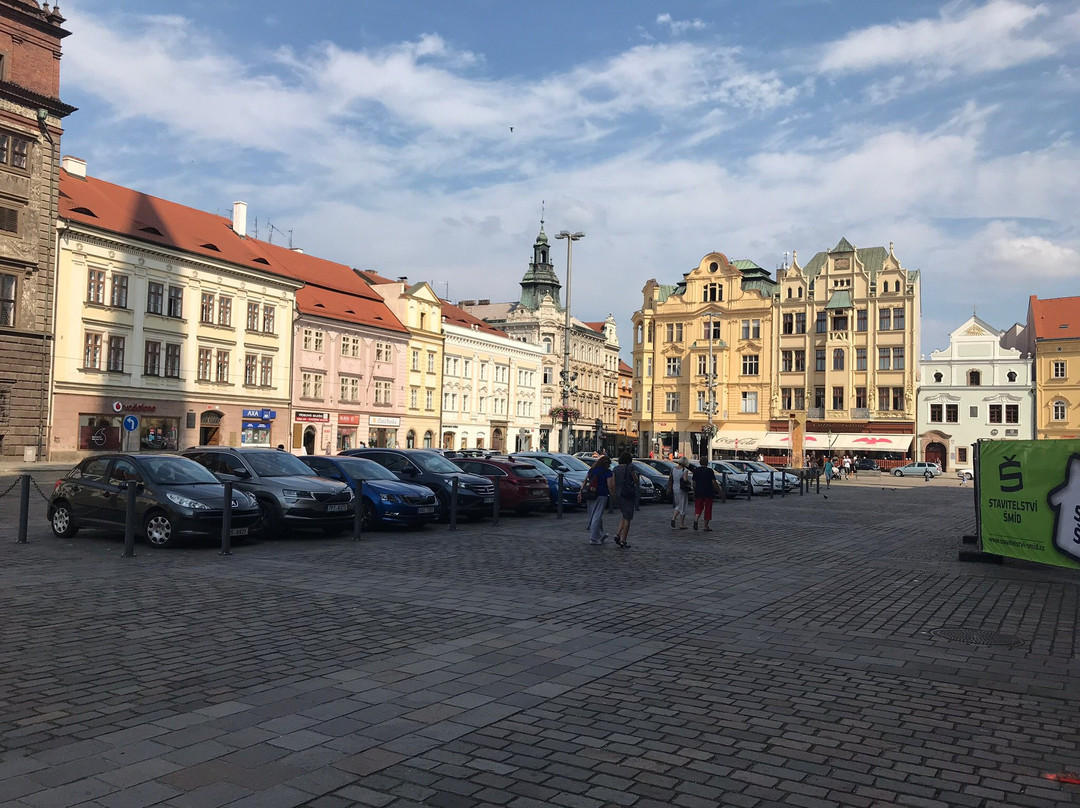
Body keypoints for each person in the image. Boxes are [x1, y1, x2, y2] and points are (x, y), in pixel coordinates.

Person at [579, 455, 614, 544]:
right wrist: (613, 495)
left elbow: (585, 481)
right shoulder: (608, 472)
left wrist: (581, 492)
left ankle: (600, 534)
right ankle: (594, 538)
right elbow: (610, 485)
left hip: (590, 493)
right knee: (597, 515)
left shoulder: (592, 470)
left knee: (593, 514)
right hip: (602, 494)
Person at [611, 451, 637, 547]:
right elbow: (635, 480)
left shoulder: (615, 469)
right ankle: (623, 539)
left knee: (624, 515)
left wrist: (614, 494)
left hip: (618, 494)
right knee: (628, 517)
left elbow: (613, 483)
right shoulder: (630, 468)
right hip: (627, 494)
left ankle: (618, 534)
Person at [691, 456, 719, 531]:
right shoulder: (710, 471)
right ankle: (705, 526)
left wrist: (694, 491)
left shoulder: (696, 471)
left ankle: (696, 519)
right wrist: (719, 491)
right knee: (708, 509)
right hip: (708, 492)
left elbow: (694, 482)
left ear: (700, 462)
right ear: (707, 463)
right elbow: (713, 482)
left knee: (698, 507)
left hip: (698, 491)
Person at [669, 456, 692, 530]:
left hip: (674, 487)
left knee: (678, 504)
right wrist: (689, 482)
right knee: (683, 506)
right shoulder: (684, 470)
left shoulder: (673, 469)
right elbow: (685, 479)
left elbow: (671, 478)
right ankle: (682, 524)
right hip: (682, 489)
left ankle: (673, 517)